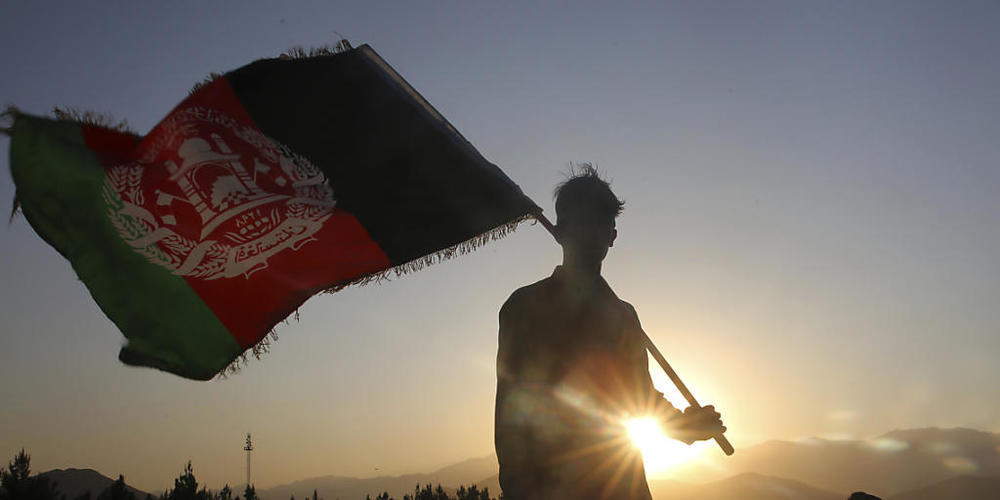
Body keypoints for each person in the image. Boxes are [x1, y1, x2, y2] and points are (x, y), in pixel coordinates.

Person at [494, 166, 726, 499]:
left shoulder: (624, 315)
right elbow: (511, 415)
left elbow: (639, 400)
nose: (590, 233)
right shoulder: (524, 308)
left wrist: (688, 426)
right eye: (581, 222)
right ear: (561, 231)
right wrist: (518, 489)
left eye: (600, 223)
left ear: (612, 235)